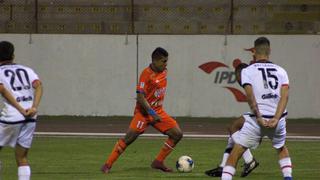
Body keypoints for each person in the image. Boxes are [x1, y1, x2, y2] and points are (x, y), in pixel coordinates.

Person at [101, 47, 183, 173]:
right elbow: (140, 97)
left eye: (167, 61)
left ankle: (158, 162)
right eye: (163, 61)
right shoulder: (146, 74)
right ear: (154, 61)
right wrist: (151, 113)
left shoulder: (164, 71)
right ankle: (107, 164)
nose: (166, 64)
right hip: (144, 114)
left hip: (158, 112)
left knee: (177, 134)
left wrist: (156, 112)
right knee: (129, 138)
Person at [221, 37, 292, 180]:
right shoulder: (281, 71)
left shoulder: (248, 70)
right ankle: (288, 177)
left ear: (254, 52)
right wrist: (276, 118)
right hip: (277, 120)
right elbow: (285, 97)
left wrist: (259, 117)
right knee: (281, 148)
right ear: (269, 51)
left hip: (257, 121)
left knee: (235, 153)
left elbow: (250, 97)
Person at [205, 63, 259, 178]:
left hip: (263, 114)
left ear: (242, 74)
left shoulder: (250, 81)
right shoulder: (253, 80)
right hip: (263, 113)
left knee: (233, 127)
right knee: (232, 136)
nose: (237, 79)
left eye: (237, 75)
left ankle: (250, 160)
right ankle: (223, 166)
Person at [0, 41, 43, 180]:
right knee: (22, 157)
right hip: (30, 117)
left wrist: (19, 109)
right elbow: (39, 86)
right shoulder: (26, 69)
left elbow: (3, 90)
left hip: (12, 117)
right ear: (13, 55)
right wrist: (34, 107)